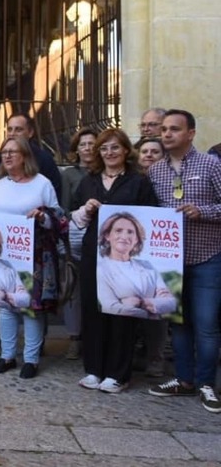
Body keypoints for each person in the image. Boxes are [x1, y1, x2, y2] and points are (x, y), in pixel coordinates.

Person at [70, 128, 159, 394]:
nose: (109, 153)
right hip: (93, 255)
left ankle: (118, 374)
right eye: (104, 148)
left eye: (115, 148)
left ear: (125, 151)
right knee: (93, 311)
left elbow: (150, 217)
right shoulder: (89, 180)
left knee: (122, 312)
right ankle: (94, 369)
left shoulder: (138, 181)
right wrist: (85, 210)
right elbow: (73, 217)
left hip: (125, 258)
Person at [146, 110, 221, 413]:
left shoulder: (211, 165)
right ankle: (183, 379)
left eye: (174, 129)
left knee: (206, 325)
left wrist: (203, 211)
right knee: (178, 323)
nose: (166, 134)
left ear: (190, 133)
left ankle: (206, 383)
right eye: (163, 129)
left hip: (208, 257)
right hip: (170, 261)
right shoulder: (155, 171)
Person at [0, 135, 62, 379]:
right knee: (6, 305)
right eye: (4, 152)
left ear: (25, 156)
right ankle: (7, 356)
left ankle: (31, 359)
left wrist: (42, 217)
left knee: (30, 308)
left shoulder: (42, 183)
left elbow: (58, 218)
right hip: (3, 258)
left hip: (34, 256)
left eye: (13, 152)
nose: (7, 156)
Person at [60, 127, 98, 360]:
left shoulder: (106, 173)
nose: (87, 148)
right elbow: (63, 208)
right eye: (82, 144)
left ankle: (95, 337)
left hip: (103, 238)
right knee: (73, 289)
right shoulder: (69, 175)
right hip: (75, 236)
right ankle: (75, 338)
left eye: (92, 144)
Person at [132, 133, 169, 376]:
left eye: (154, 152)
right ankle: (135, 350)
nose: (148, 156)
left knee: (157, 308)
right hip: (132, 251)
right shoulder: (131, 181)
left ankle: (156, 356)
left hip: (161, 251)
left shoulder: (169, 180)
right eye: (144, 152)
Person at [97, 212, 176, 317]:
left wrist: (141, 303)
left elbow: (171, 303)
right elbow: (110, 307)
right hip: (118, 325)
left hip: (150, 328)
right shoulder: (101, 269)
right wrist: (152, 306)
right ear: (107, 236)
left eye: (130, 232)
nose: (124, 236)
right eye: (118, 231)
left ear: (136, 239)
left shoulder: (147, 266)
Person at [4, 114, 63, 202]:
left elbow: (54, 194)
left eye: (18, 129)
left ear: (30, 132)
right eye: (9, 129)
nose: (12, 134)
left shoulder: (44, 159)